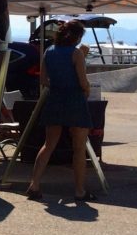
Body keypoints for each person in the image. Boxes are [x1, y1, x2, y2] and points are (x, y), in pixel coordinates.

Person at [25, 20, 97, 203]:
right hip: (74, 100)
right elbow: (83, 81)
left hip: (55, 99)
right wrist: (86, 89)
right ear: (78, 36)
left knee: (48, 145)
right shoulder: (76, 53)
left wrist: (58, 84)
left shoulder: (49, 52)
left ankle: (34, 184)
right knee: (79, 148)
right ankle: (80, 190)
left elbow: (43, 80)